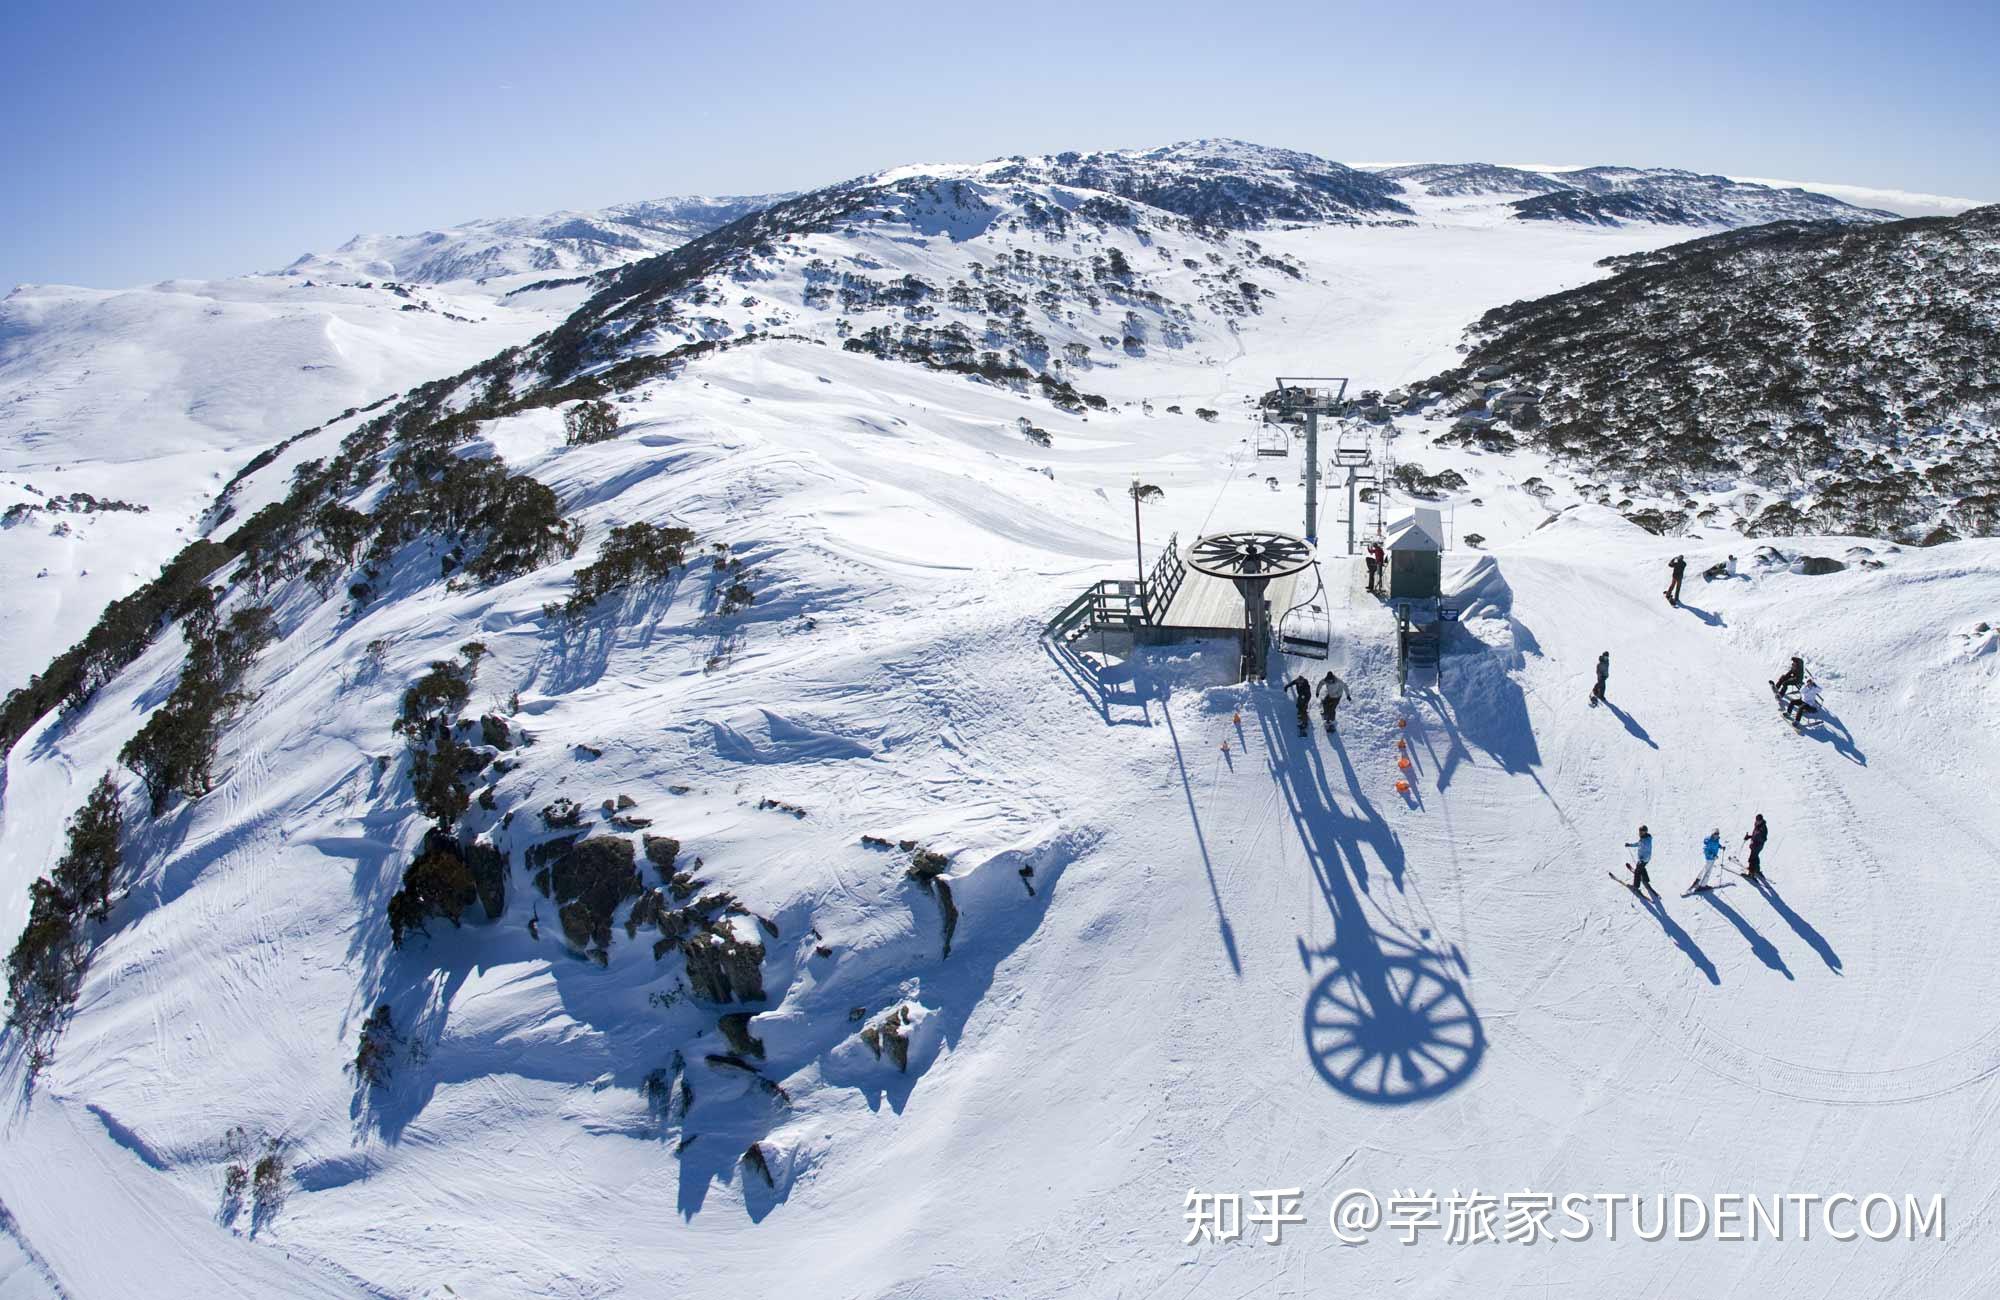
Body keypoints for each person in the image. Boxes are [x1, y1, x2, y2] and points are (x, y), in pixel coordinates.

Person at [1691, 828, 1724, 893]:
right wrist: (1713, 855)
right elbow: (1706, 851)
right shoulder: (1709, 841)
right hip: (1710, 858)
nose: (1717, 835)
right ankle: (1703, 886)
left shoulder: (1716, 839)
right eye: (1715, 834)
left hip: (1712, 858)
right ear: (1712, 834)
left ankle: (1698, 879)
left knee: (1705, 869)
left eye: (1718, 834)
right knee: (1708, 872)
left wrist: (1721, 847)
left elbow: (1717, 844)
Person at [1625, 825, 1655, 894]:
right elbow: (1638, 844)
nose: (1640, 833)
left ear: (1645, 832)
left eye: (1642, 832)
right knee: (1642, 868)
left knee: (1637, 872)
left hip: (1644, 859)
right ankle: (1646, 879)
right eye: (1640, 832)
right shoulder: (1644, 838)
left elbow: (1648, 852)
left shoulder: (1646, 842)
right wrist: (1630, 845)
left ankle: (1636, 886)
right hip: (1644, 860)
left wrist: (1642, 860)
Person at [1743, 814, 1768, 878]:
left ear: (1761, 820)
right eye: (1756, 820)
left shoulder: (1763, 828)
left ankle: (1751, 873)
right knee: (1755, 857)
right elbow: (1755, 835)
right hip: (1754, 844)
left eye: (1758, 820)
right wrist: (1749, 837)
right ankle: (1756, 869)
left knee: (1752, 859)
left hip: (1758, 846)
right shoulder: (1757, 825)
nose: (1757, 821)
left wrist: (1757, 841)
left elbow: (1764, 839)